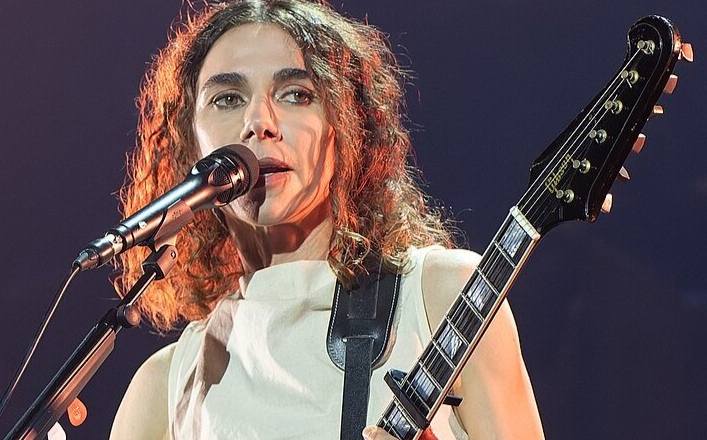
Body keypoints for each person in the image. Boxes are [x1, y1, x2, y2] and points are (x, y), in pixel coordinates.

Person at [110, 1, 544, 439]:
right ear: (191, 141)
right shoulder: (164, 387)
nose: (259, 122)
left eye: (297, 94)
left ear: (347, 124)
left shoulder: (444, 297)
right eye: (227, 99)